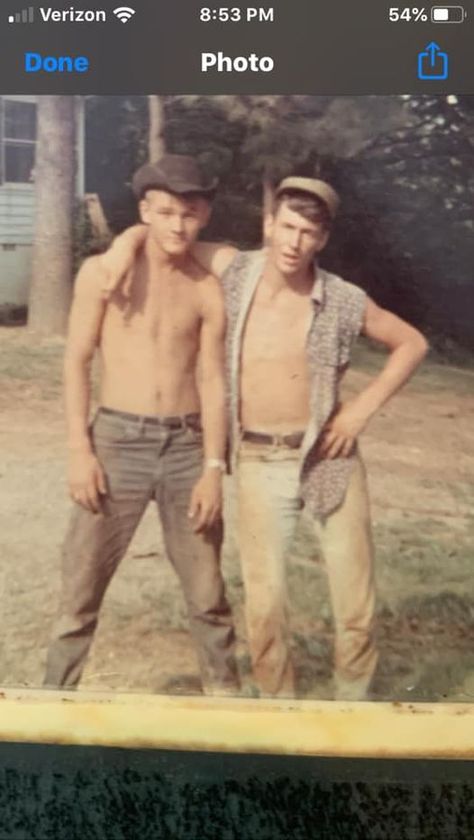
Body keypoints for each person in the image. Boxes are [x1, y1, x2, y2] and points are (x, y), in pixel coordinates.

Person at [101, 175, 428, 700]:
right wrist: (120, 248)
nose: (295, 243)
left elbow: (410, 343)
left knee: (354, 603)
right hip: (256, 457)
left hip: (328, 456)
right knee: (266, 603)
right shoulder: (234, 271)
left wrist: (358, 413)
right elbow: (161, 231)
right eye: (288, 227)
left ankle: (352, 710)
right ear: (269, 224)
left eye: (309, 233)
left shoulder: (341, 297)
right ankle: (280, 714)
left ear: (322, 240)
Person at [44, 154, 240, 695]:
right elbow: (76, 361)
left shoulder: (208, 287)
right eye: (166, 212)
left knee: (207, 595)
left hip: (186, 446)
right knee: (79, 591)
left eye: (191, 214)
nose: (178, 225)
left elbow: (213, 381)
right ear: (145, 212)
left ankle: (229, 718)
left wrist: (213, 468)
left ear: (203, 217)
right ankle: (50, 712)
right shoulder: (104, 275)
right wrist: (80, 452)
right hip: (116, 443)